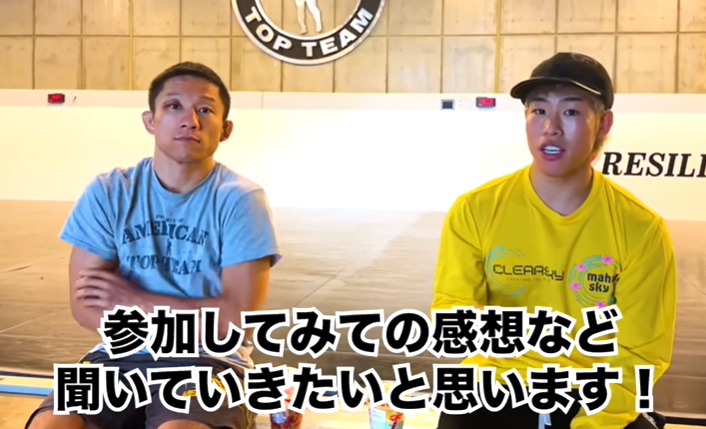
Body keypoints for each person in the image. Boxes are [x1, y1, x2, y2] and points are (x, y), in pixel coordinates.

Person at [25, 62, 281, 429]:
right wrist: (190, 318)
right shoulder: (109, 192)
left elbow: (233, 321)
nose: (190, 121)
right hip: (116, 355)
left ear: (225, 130)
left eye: (205, 109)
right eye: (173, 106)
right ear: (150, 121)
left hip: (209, 361)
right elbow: (85, 308)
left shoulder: (240, 200)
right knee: (52, 425)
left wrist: (136, 300)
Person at [430, 52, 677, 429]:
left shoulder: (642, 230)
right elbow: (451, 308)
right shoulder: (474, 210)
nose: (551, 128)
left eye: (571, 112)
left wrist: (592, 423)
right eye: (539, 111)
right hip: (495, 389)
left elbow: (641, 351)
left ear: (603, 123)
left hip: (592, 396)